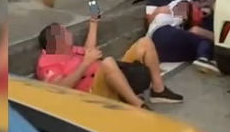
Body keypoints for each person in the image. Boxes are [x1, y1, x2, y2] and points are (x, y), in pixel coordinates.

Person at [36, 17, 183, 108]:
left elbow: (88, 51)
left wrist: (93, 23)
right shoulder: (47, 63)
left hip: (109, 77)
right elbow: (59, 89)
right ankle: (138, 105)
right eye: (65, 33)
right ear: (58, 42)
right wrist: (85, 64)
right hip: (92, 94)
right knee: (107, 63)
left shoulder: (69, 49)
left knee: (144, 44)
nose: (70, 34)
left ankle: (158, 90)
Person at [145, 0, 219, 74]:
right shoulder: (154, 2)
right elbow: (150, 22)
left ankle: (207, 54)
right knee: (202, 40)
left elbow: (195, 4)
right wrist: (158, 11)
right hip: (167, 32)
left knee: (201, 35)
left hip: (181, 34)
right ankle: (204, 56)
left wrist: (202, 8)